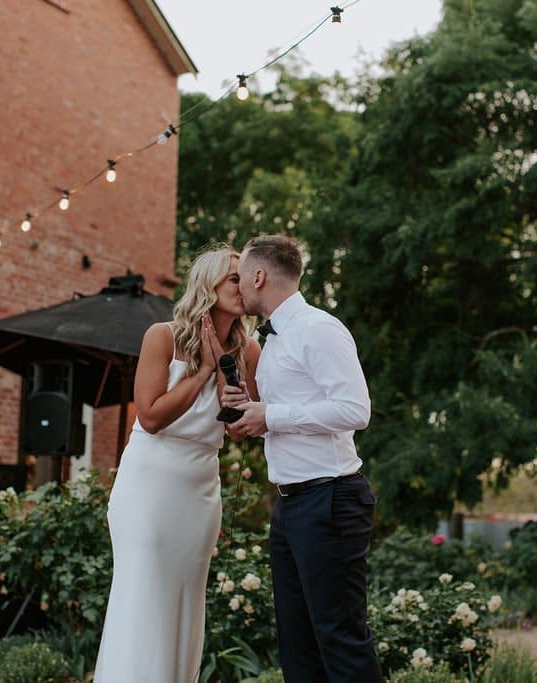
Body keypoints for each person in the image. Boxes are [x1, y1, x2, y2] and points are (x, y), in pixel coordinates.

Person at [93, 246, 261, 683]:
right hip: (149, 484)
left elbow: (244, 431)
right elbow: (149, 417)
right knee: (143, 594)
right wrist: (202, 371)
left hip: (200, 487)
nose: (243, 287)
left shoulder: (251, 351)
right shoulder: (162, 337)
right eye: (233, 279)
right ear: (208, 285)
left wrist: (227, 375)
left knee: (186, 600)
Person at [221, 234, 382, 682]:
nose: (237, 286)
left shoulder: (318, 328)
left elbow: (355, 410)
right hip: (290, 504)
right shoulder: (272, 340)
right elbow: (290, 418)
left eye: (239, 277)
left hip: (330, 500)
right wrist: (250, 411)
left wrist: (271, 414)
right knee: (297, 644)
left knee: (340, 639)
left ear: (259, 276)